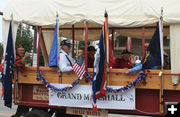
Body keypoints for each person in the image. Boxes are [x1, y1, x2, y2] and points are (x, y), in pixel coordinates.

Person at [11, 44, 30, 117]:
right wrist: (25, 57)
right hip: (17, 83)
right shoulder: (15, 58)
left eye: (22, 50)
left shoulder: (20, 58)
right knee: (22, 102)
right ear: (16, 51)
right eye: (20, 50)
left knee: (23, 104)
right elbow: (19, 64)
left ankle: (19, 115)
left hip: (21, 83)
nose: (22, 51)